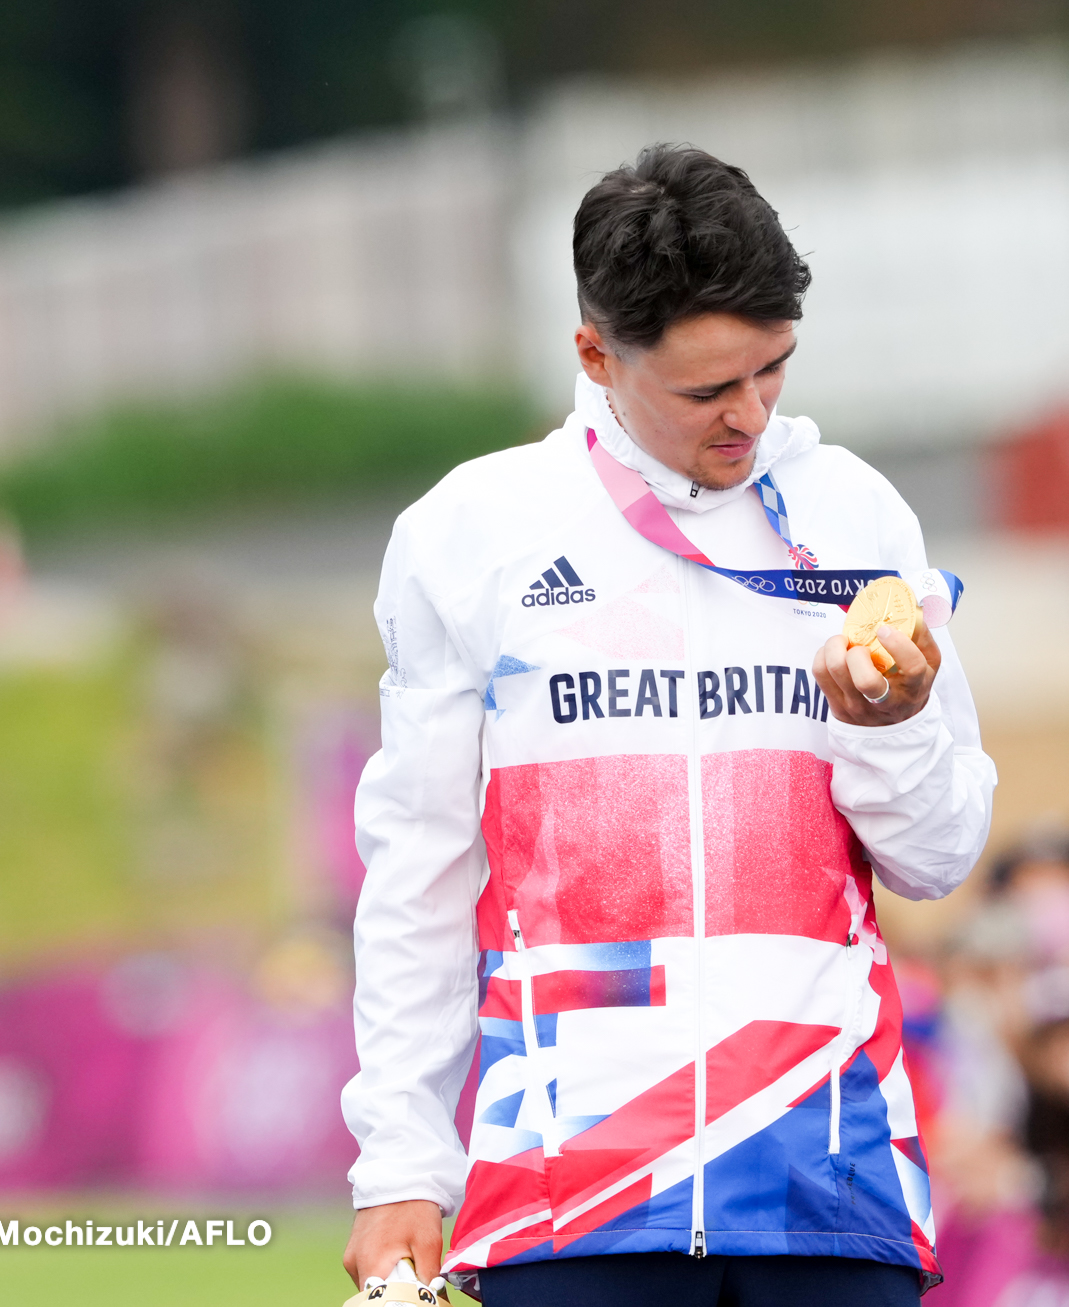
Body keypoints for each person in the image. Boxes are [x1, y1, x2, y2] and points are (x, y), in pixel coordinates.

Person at [338, 144, 997, 1305]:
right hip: (570, 1197)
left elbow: (937, 857)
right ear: (595, 354)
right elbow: (421, 871)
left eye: (773, 370)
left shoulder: (853, 514)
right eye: (705, 390)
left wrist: (888, 726)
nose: (749, 414)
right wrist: (400, 1158)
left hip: (826, 1179)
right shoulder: (471, 530)